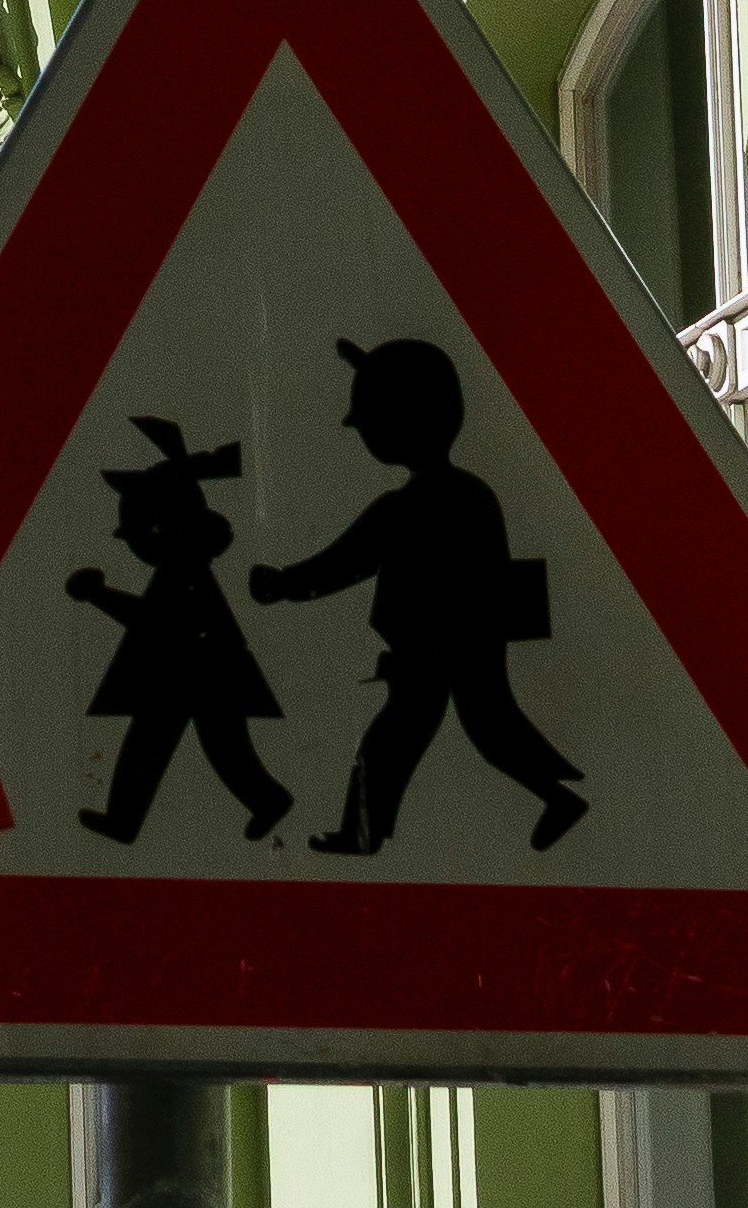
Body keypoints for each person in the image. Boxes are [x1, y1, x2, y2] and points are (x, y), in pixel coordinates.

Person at [249, 336, 586, 854]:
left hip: (439, 649)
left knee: (411, 740)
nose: (357, 428)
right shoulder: (468, 495)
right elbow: (353, 560)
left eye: (368, 413)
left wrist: (284, 585)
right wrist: (289, 585)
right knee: (477, 731)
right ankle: (553, 796)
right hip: (450, 647)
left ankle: (365, 834)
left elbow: (347, 562)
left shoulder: (417, 504)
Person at [65, 417, 294, 843]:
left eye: (141, 533)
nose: (136, 544)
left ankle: (266, 800)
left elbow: (151, 620)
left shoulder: (182, 575)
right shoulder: (182, 571)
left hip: (198, 674)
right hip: (184, 673)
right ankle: (126, 820)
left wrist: (99, 595)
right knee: (159, 747)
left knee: (217, 749)